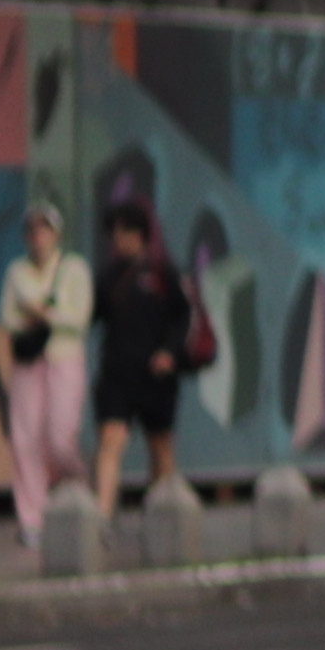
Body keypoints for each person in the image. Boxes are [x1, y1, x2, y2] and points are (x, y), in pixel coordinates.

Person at [86, 200, 207, 509]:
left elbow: (187, 318)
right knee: (111, 442)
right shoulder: (107, 277)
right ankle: (102, 516)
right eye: (114, 232)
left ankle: (164, 514)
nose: (118, 238)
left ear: (140, 234)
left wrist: (171, 353)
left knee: (161, 447)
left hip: (156, 377)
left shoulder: (164, 273)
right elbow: (88, 317)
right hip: (117, 375)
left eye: (124, 231)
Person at [0, 203, 90, 523]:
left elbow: (79, 319)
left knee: (60, 434)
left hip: (63, 357)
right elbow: (8, 317)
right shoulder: (16, 271)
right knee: (26, 437)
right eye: (32, 230)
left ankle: (75, 483)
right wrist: (29, 319)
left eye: (44, 228)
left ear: (57, 234)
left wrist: (44, 313)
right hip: (29, 361)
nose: (38, 236)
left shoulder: (74, 268)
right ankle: (33, 516)